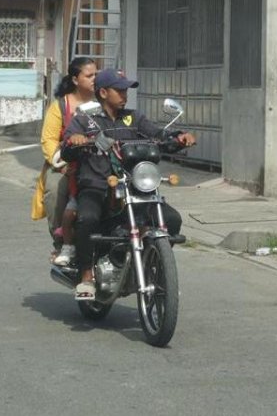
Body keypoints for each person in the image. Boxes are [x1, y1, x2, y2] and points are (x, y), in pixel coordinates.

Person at [62, 68, 197, 300]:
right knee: (87, 219)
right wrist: (75, 140)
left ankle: (150, 266)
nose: (124, 95)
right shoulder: (86, 118)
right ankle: (86, 276)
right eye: (119, 90)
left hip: (133, 188)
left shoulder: (134, 118)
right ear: (103, 92)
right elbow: (67, 149)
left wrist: (179, 137)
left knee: (172, 219)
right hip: (97, 187)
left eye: (126, 90)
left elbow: (158, 135)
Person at [32, 56, 98, 267]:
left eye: (96, 74)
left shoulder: (104, 101)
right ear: (76, 79)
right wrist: (62, 164)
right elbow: (49, 140)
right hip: (66, 166)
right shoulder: (60, 106)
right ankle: (62, 241)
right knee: (53, 192)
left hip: (99, 165)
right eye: (89, 76)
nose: (94, 79)